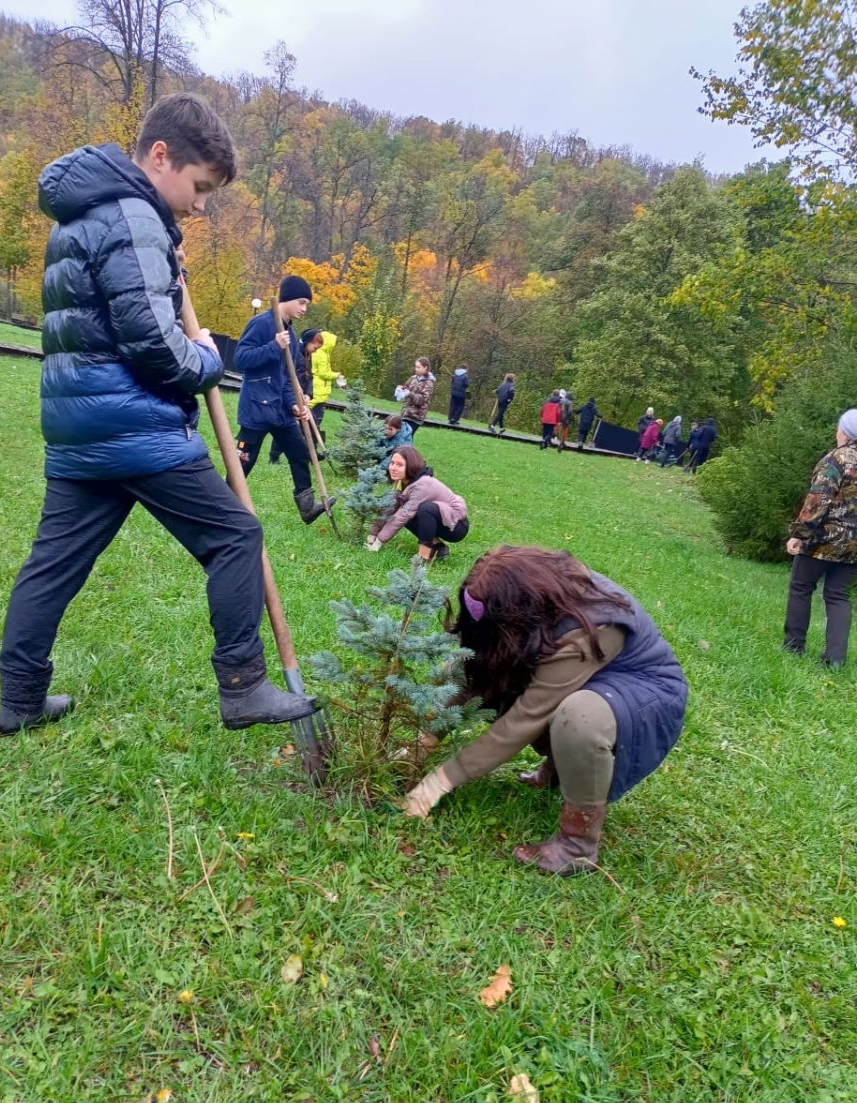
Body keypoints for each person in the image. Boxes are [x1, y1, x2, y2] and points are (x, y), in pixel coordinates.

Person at [0, 93, 318, 736]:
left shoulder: (83, 209)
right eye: (200, 188)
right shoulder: (134, 214)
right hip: (134, 425)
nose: (200, 206)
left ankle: (20, 700)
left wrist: (166, 271)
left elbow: (104, 314)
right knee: (235, 536)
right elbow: (151, 344)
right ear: (161, 156)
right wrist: (206, 361)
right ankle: (244, 687)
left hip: (78, 423)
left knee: (53, 565)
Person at [399, 546, 688, 877]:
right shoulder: (534, 599)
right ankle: (555, 773)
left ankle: (576, 846)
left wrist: (438, 783)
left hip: (645, 698)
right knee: (494, 664)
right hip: (586, 677)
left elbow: (526, 718)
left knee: (579, 717)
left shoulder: (589, 627)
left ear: (518, 613)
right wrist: (424, 741)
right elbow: (476, 669)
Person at [233, 276, 332, 524]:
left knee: (300, 452)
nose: (304, 309)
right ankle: (224, 507)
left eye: (307, 304)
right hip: (257, 409)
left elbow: (287, 378)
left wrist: (294, 404)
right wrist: (273, 346)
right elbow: (240, 359)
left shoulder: (292, 335)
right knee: (243, 462)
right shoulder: (261, 324)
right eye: (302, 302)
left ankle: (307, 507)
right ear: (287, 298)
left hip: (280, 412)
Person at [782, 409, 857, 668]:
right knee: (838, 595)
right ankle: (835, 659)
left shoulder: (837, 459)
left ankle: (793, 646)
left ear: (845, 432)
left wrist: (800, 534)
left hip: (823, 539)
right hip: (854, 546)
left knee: (801, 586)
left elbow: (818, 500)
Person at [366, 446, 468, 562]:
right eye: (392, 463)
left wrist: (379, 541)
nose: (393, 468)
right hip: (439, 520)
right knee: (407, 509)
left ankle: (423, 557)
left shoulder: (422, 485)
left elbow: (402, 515)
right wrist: (373, 534)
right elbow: (390, 506)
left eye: (400, 465)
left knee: (423, 509)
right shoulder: (402, 481)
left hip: (455, 526)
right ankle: (438, 547)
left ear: (410, 466)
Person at [268, 327, 322, 465]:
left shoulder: (308, 355)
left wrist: (308, 394)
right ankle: (274, 456)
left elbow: (309, 377)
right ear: (308, 341)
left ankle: (312, 454)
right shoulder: (294, 353)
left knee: (311, 421)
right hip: (289, 396)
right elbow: (288, 376)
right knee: (286, 425)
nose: (316, 349)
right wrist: (294, 397)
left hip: (301, 396)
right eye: (315, 346)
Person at [309, 329, 339, 430]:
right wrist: (336, 375)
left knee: (312, 408)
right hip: (319, 387)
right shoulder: (322, 355)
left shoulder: (318, 352)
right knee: (315, 413)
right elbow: (323, 373)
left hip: (316, 386)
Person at [400, 357, 435, 434]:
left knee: (406, 436)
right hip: (406, 413)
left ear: (425, 368)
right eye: (415, 367)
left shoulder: (429, 382)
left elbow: (423, 399)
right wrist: (400, 390)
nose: (416, 369)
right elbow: (405, 387)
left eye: (418, 367)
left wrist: (410, 394)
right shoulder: (413, 378)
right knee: (402, 436)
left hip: (416, 416)